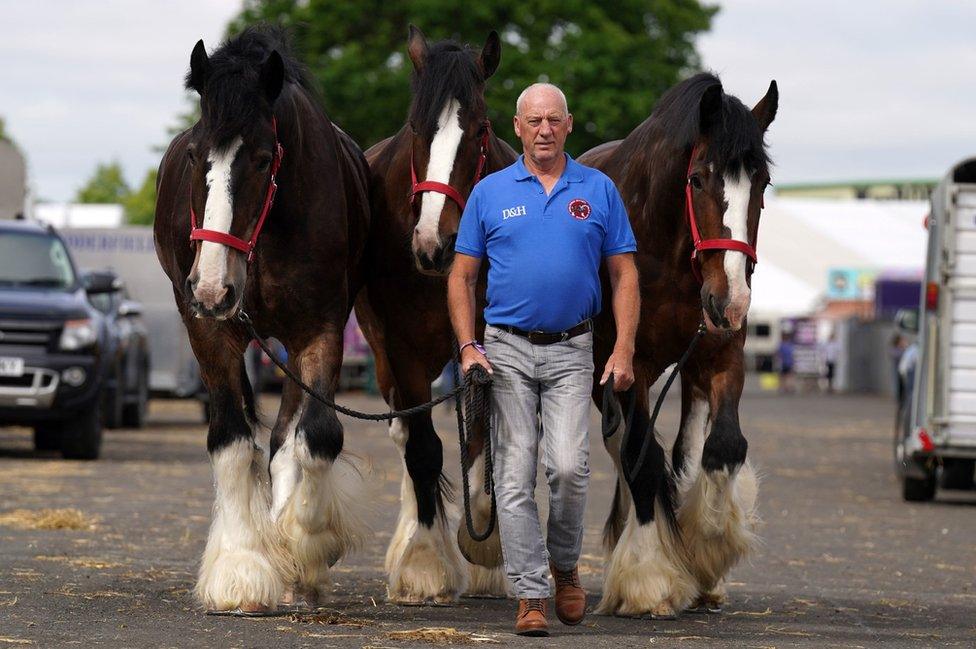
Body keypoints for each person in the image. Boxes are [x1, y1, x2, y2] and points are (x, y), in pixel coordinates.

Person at [448, 83, 639, 636]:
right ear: (518, 127)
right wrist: (467, 348)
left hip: (573, 349)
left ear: (569, 124)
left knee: (568, 469)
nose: (544, 130)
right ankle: (530, 593)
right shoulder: (488, 192)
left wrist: (623, 347)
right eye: (534, 121)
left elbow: (624, 273)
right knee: (512, 474)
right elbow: (462, 276)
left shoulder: (598, 189)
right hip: (503, 348)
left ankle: (564, 567)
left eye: (554, 119)